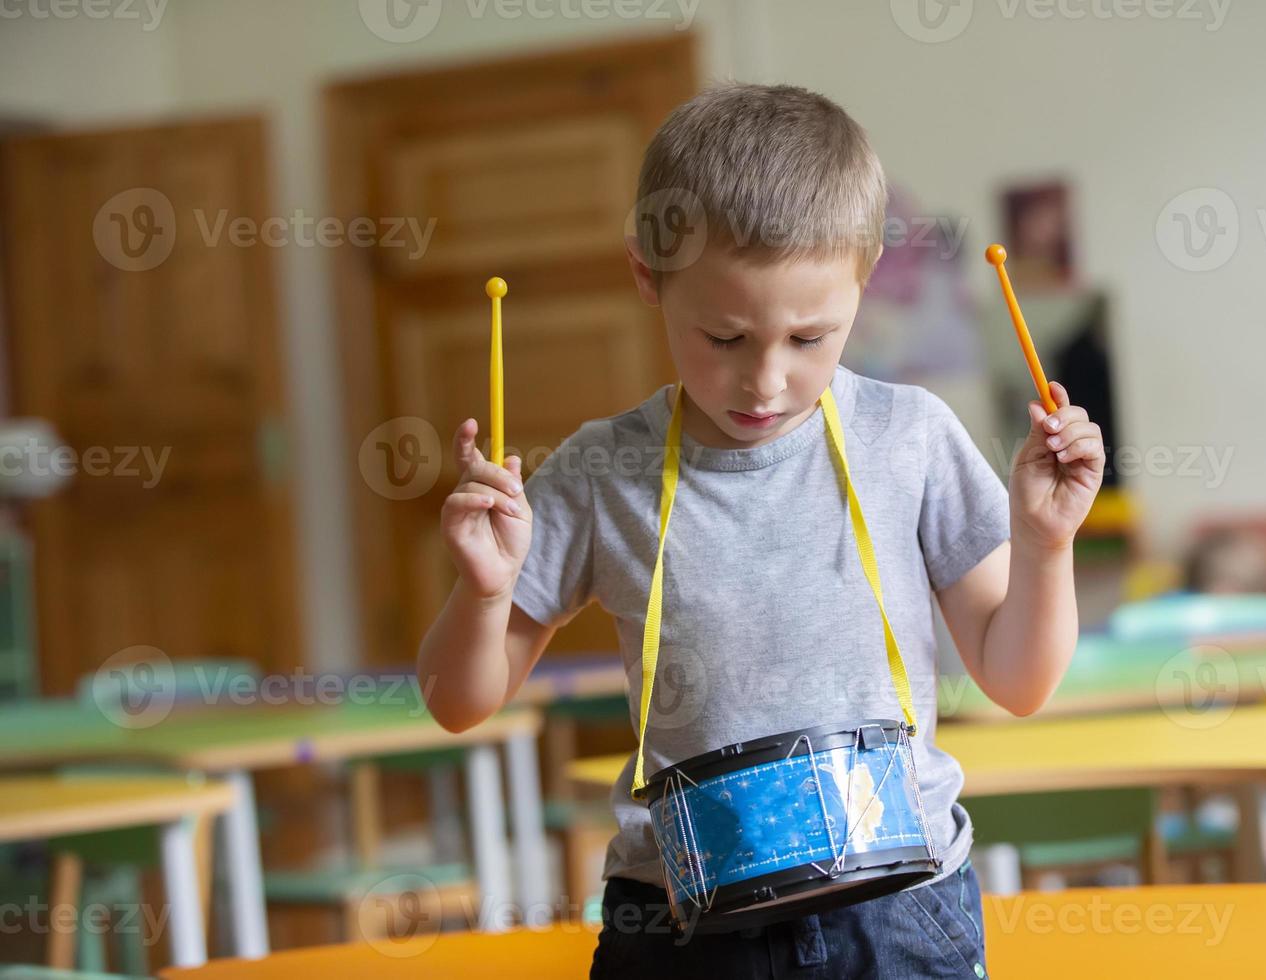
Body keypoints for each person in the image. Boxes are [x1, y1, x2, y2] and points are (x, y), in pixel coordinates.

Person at [416, 83, 1104, 979]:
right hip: (679, 928)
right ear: (646, 276)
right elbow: (455, 699)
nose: (767, 381)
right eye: (725, 337)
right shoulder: (599, 472)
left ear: (862, 284)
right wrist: (484, 590)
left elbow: (1019, 681)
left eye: (812, 338)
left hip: (894, 913)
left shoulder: (912, 437)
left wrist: (1047, 546)